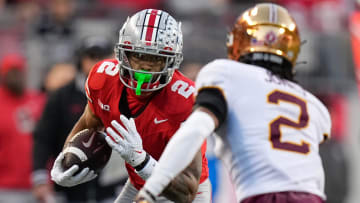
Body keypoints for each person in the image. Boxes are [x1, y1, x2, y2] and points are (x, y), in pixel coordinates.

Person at [136, 3, 332, 203]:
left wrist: (152, 188)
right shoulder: (315, 106)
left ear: (239, 41)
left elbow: (194, 131)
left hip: (263, 195)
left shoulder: (227, 74)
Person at [50, 9, 211, 203]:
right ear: (123, 54)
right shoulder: (103, 79)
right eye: (138, 55)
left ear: (171, 61)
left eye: (155, 58)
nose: (145, 67)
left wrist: (141, 161)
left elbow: (187, 191)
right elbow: (87, 125)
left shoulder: (186, 100)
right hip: (138, 184)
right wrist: (67, 157)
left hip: (178, 192)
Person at [32, 36, 126, 203]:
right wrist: (39, 175)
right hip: (70, 180)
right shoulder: (61, 96)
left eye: (102, 56)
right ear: (80, 59)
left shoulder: (122, 94)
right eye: (91, 56)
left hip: (109, 182)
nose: (97, 62)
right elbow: (44, 137)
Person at [0, 53, 45, 203]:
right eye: (11, 72)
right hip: (6, 185)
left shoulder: (37, 100)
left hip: (38, 184)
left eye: (18, 72)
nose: (15, 77)